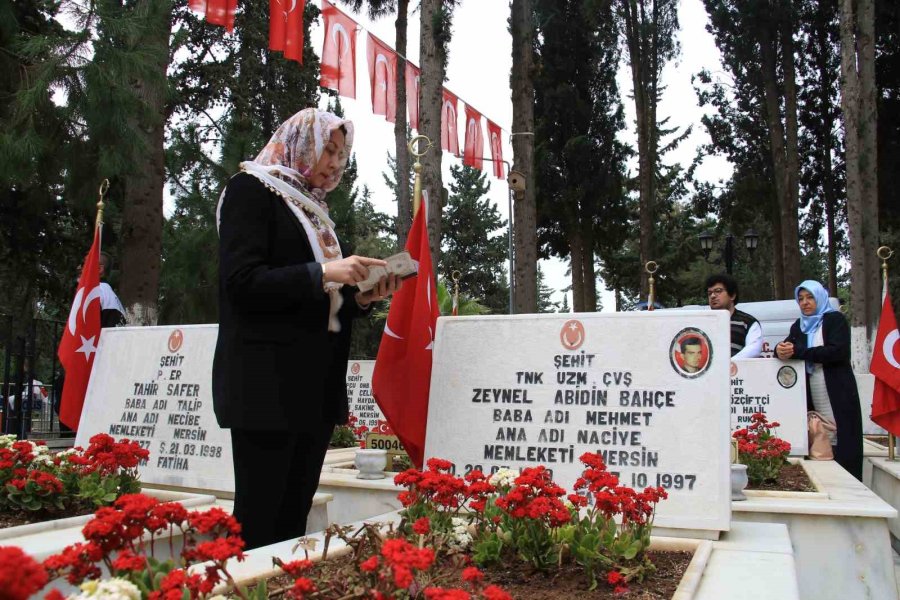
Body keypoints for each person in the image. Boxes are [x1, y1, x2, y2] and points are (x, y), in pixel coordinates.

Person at [212, 108, 401, 550]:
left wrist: (361, 297)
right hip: (266, 387)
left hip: (313, 389)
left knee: (293, 519)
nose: (335, 163)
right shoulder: (251, 190)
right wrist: (324, 272)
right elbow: (241, 283)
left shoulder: (314, 211)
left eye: (341, 154)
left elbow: (320, 303)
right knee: (260, 522)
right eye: (328, 150)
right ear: (301, 144)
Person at [775, 280, 863, 480]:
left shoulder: (834, 320)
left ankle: (846, 478)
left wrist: (799, 352)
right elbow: (790, 347)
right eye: (800, 299)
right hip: (812, 386)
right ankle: (826, 476)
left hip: (836, 386)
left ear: (821, 298)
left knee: (839, 432)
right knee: (819, 431)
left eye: (810, 297)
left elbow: (837, 351)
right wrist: (779, 350)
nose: (805, 303)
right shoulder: (800, 325)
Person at [706, 274, 762, 359]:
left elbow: (754, 350)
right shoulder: (703, 322)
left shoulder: (748, 322)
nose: (712, 296)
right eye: (709, 293)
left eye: (718, 291)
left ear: (732, 295)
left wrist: (729, 364)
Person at [98, 253, 126, 328]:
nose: (79, 268)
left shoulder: (97, 291)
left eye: (85, 264)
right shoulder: (108, 293)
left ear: (99, 269)